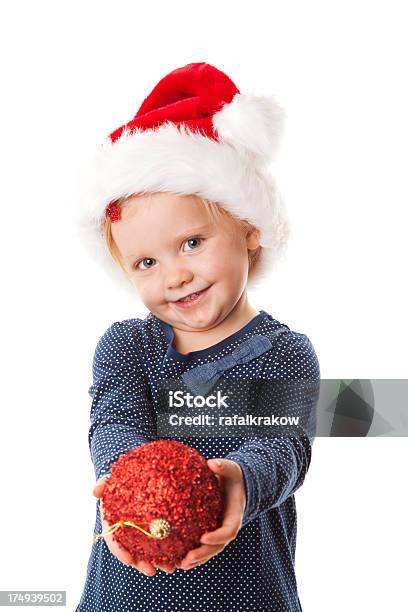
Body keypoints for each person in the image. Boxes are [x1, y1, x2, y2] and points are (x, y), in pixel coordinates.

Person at [75, 62, 320, 612]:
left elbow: (286, 446)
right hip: (126, 596)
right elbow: (114, 423)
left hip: (248, 596)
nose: (174, 275)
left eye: (191, 243)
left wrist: (237, 479)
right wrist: (129, 481)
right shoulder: (127, 347)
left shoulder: (284, 353)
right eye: (145, 261)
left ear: (249, 229)